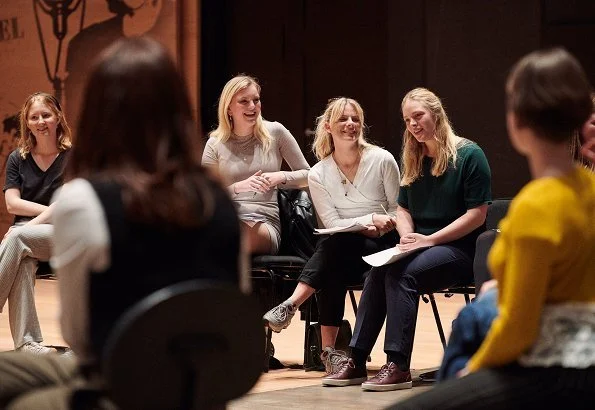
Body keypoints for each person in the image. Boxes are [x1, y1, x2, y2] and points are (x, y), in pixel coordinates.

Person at [0, 36, 246, 410]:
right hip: (204, 388)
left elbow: (79, 336)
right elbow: (228, 308)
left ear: (97, 112)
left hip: (120, 386)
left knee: (24, 396)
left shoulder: (84, 201)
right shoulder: (220, 202)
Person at [396, 48, 595, 409]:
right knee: (476, 313)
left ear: (517, 124)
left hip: (559, 369)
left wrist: (474, 369)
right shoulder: (588, 191)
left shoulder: (536, 206)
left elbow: (517, 328)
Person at [321, 88, 492, 391]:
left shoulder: (469, 155)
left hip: (460, 249)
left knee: (402, 274)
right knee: (379, 272)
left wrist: (429, 240)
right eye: (407, 120)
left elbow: (476, 215)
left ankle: (398, 365)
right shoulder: (414, 156)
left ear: (436, 114)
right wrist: (407, 236)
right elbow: (402, 208)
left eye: (418, 116)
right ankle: (357, 360)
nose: (413, 124)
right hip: (421, 245)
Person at [263, 97, 401, 374]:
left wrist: (379, 222)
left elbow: (399, 210)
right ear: (328, 126)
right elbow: (333, 223)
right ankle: (329, 354)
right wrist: (368, 219)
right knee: (335, 252)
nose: (351, 124)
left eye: (355, 119)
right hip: (345, 245)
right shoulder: (318, 173)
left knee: (332, 250)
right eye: (343, 119)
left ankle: (293, 305)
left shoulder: (382, 160)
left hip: (383, 245)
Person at [201, 75, 310, 255]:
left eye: (256, 100)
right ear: (228, 108)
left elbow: (309, 175)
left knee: (235, 236)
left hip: (264, 222)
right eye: (244, 101)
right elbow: (205, 193)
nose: (252, 106)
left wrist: (280, 177)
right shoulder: (215, 143)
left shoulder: (276, 132)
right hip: (228, 217)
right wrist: (237, 187)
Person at [0, 92, 72, 355]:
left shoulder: (72, 157)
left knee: (18, 238)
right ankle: (27, 343)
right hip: (27, 241)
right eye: (34, 117)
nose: (40, 121)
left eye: (46, 115)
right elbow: (12, 204)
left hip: (61, 235)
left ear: (58, 118)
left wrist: (28, 226)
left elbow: (67, 205)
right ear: (26, 123)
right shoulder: (17, 158)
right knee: (22, 258)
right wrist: (48, 212)